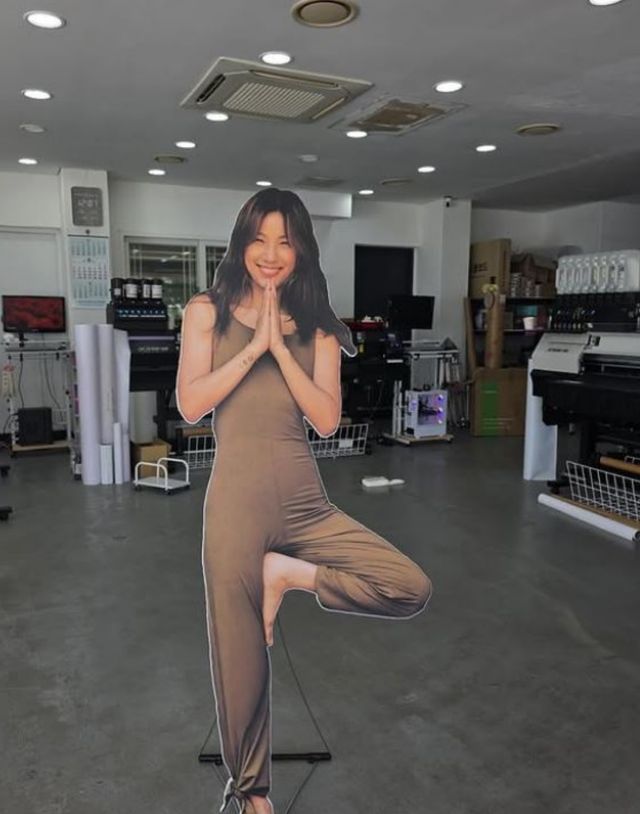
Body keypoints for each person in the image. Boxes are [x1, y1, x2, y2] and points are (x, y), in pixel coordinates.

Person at [176, 188, 432, 814]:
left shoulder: (318, 324)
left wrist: (279, 348)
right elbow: (191, 404)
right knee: (240, 660)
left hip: (304, 504)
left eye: (285, 242)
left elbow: (325, 418)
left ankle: (289, 574)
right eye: (259, 239)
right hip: (235, 506)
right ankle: (253, 794)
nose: (270, 254)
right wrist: (254, 346)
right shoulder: (206, 311)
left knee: (409, 586)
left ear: (301, 251)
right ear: (242, 244)